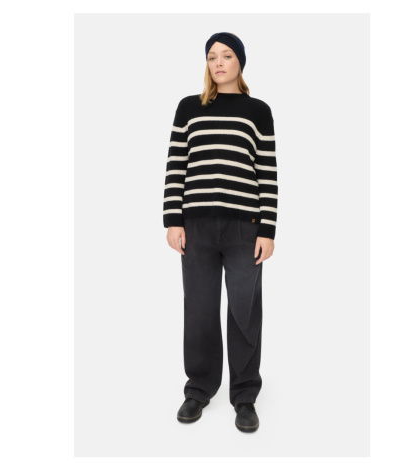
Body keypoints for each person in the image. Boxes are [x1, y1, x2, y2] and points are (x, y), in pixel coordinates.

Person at [162, 32, 278, 433]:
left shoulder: (258, 111)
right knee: (199, 310)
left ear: (239, 62)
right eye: (212, 56)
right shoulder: (189, 108)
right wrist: (172, 220)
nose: (219, 62)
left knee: (245, 311)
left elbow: (267, 172)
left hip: (245, 228)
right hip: (195, 226)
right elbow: (176, 164)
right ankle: (198, 389)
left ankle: (244, 396)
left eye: (227, 55)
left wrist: (268, 229)